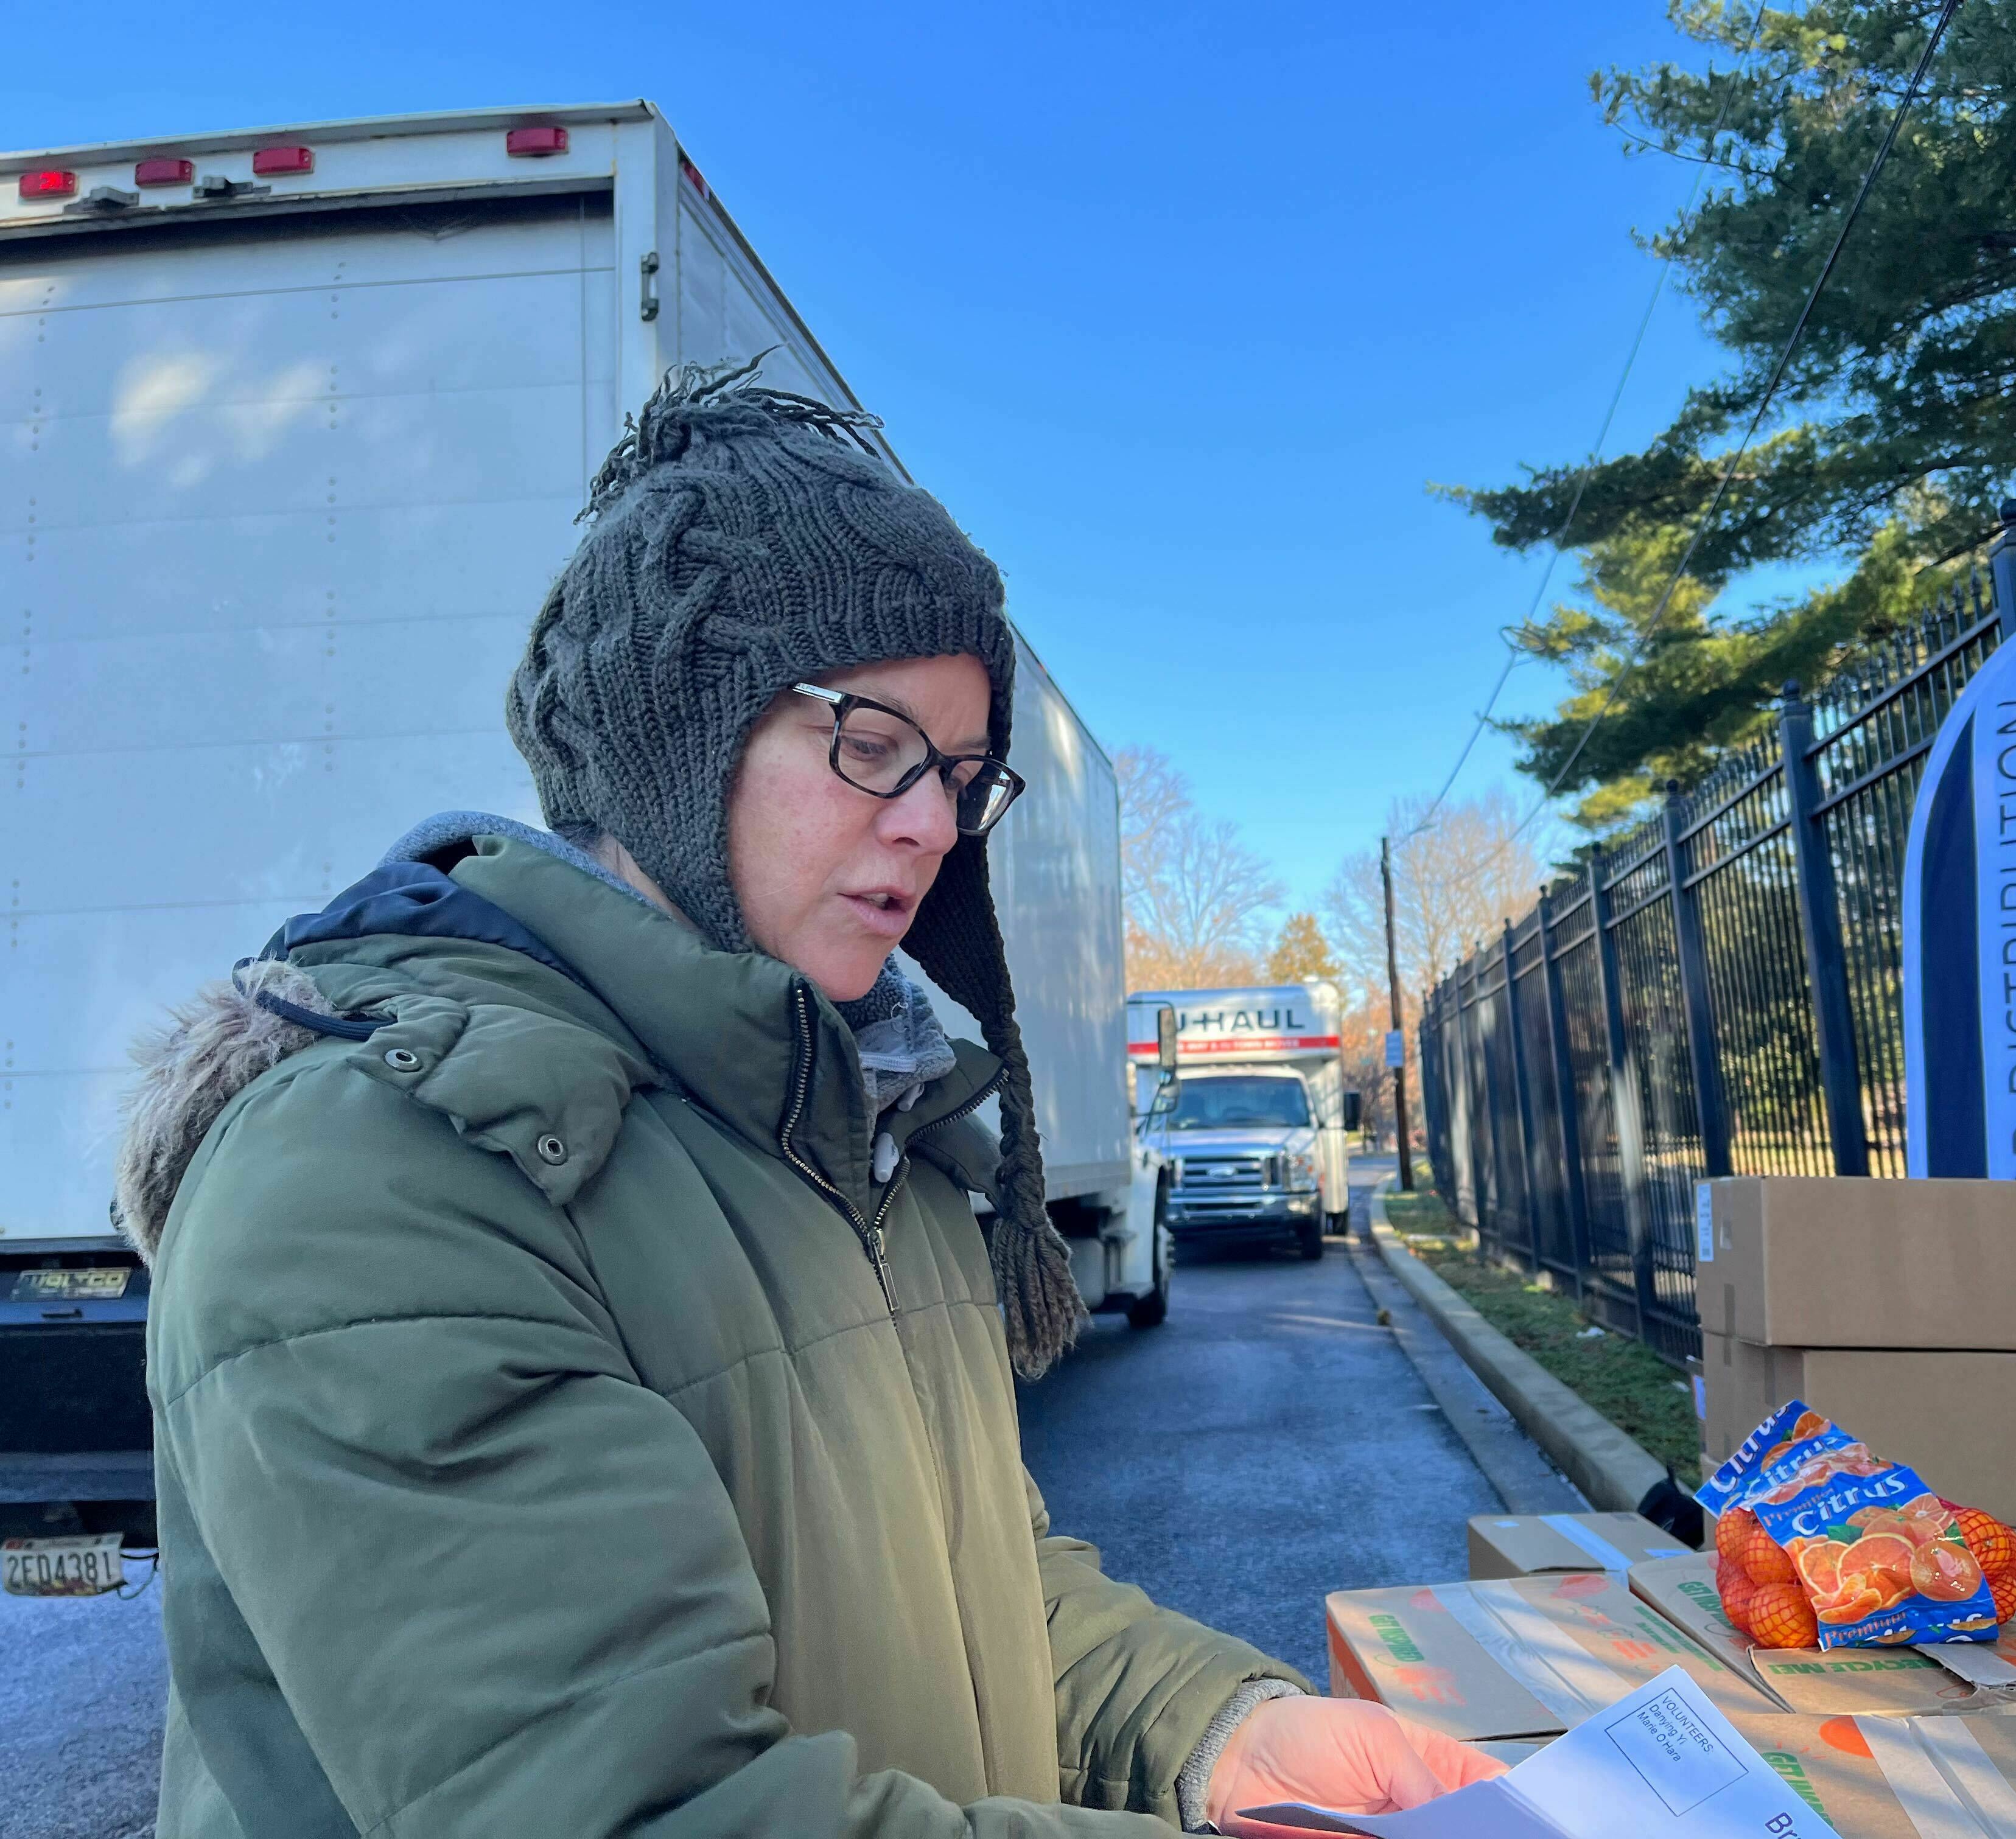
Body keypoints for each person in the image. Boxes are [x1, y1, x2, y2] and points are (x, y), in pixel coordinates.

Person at [113, 366, 1505, 1838]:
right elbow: (643, 1809)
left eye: (962, 772)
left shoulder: (869, 1144)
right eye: (868, 740)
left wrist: (1231, 1736)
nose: (927, 820)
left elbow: (976, 1598)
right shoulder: (380, 1183)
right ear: (671, 747)